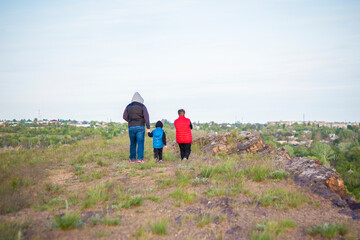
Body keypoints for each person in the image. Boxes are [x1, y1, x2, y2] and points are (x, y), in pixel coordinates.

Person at [123, 92, 150, 163]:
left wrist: (130, 121)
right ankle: (140, 159)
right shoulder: (142, 106)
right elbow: (146, 118)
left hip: (131, 127)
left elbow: (124, 117)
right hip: (140, 127)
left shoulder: (128, 106)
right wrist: (148, 127)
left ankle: (132, 159)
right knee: (140, 143)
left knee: (132, 143)